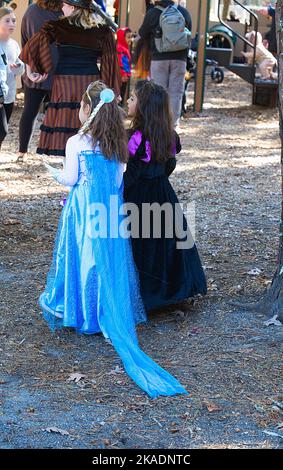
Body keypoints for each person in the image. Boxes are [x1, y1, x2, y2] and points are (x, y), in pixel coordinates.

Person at [40, 80, 188, 399]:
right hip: (110, 210)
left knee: (86, 261)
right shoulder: (117, 141)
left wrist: (51, 171)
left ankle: (85, 313)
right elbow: (120, 176)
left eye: (81, 106)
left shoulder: (77, 142)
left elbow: (70, 178)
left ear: (87, 111)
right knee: (111, 261)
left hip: (83, 212)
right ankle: (108, 314)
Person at [123, 80, 207, 311]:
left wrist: (118, 192)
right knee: (167, 242)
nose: (128, 101)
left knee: (143, 243)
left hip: (139, 197)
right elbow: (170, 163)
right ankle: (173, 291)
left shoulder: (135, 137)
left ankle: (148, 295)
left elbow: (133, 173)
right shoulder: (169, 135)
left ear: (144, 107)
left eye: (132, 98)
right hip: (163, 193)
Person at [20, 0, 120, 157]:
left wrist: (37, 69)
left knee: (66, 123)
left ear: (73, 8)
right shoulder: (103, 30)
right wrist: (111, 89)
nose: (61, 7)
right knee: (89, 121)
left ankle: (69, 165)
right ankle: (87, 159)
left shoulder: (56, 27)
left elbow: (34, 45)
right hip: (89, 82)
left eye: (64, 5)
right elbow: (110, 62)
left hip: (64, 83)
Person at [17, 0, 62, 163]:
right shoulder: (64, 11)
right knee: (61, 112)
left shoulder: (31, 11)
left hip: (35, 67)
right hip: (58, 70)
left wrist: (29, 65)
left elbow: (25, 41)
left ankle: (22, 152)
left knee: (30, 111)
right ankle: (58, 151)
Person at [138, 0, 192, 127]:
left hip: (159, 58)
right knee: (176, 92)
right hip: (180, 58)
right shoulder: (183, 12)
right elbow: (189, 32)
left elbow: (143, 33)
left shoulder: (152, 13)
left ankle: (158, 124)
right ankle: (172, 125)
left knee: (158, 92)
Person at [0, 7, 24, 150]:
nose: (11, 24)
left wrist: (18, 66)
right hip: (0, 95)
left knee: (2, 133)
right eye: (7, 20)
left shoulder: (14, 45)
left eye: (14, 21)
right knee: (2, 130)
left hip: (10, 95)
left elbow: (21, 69)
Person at [116, 27, 132, 105]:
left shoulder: (124, 48)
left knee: (122, 94)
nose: (130, 39)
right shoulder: (120, 49)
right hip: (122, 76)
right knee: (120, 95)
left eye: (131, 37)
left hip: (124, 75)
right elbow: (120, 63)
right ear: (122, 37)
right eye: (128, 37)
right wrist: (123, 73)